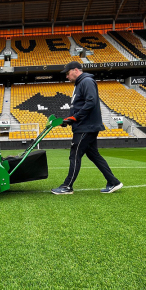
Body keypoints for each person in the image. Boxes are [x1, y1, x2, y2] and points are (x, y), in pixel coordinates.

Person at [51, 61, 123, 194]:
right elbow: (77, 107)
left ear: (76, 70)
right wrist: (67, 120)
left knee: (75, 154)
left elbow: (91, 102)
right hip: (84, 125)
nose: (67, 76)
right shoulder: (80, 84)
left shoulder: (87, 81)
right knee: (94, 155)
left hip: (86, 127)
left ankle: (67, 186)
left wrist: (75, 117)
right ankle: (113, 182)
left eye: (68, 73)